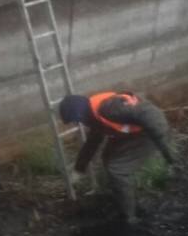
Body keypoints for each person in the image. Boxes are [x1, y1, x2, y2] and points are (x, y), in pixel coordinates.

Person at [59, 91, 177, 227]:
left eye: (76, 120)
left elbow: (151, 115)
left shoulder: (109, 109)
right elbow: (93, 142)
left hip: (149, 133)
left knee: (117, 169)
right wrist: (79, 169)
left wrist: (168, 153)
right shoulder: (93, 112)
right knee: (108, 157)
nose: (78, 123)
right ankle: (126, 198)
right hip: (132, 133)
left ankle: (129, 218)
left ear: (80, 114)